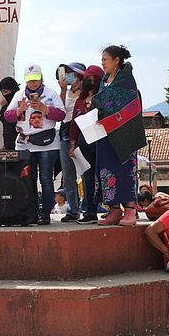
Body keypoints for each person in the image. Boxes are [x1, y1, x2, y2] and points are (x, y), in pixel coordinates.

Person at [4, 64, 66, 225]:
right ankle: (30, 213)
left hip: (48, 143)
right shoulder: (18, 95)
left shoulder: (51, 94)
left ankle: (45, 213)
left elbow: (61, 114)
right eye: (29, 80)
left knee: (46, 179)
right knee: (27, 179)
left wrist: (45, 109)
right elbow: (7, 116)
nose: (32, 84)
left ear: (41, 78)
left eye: (35, 80)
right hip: (25, 143)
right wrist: (19, 109)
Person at [92, 45, 146, 226]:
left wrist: (103, 107)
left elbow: (130, 105)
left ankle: (130, 210)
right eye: (102, 60)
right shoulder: (104, 80)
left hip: (124, 134)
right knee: (106, 170)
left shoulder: (126, 80)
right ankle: (114, 209)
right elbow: (101, 102)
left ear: (116, 60)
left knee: (124, 171)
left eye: (105, 60)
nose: (103, 63)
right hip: (105, 134)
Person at [69, 65, 105, 224]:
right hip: (84, 143)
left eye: (88, 78)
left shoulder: (104, 97)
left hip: (102, 143)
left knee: (105, 176)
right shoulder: (80, 101)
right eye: (84, 78)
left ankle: (115, 208)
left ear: (96, 80)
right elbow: (74, 124)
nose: (84, 81)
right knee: (87, 178)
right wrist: (72, 144)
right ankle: (90, 212)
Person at [57, 63, 87, 222]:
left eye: (71, 73)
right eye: (66, 72)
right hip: (65, 131)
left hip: (81, 132)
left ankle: (88, 208)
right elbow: (60, 112)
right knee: (68, 175)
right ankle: (73, 210)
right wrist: (62, 91)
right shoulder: (66, 92)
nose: (68, 76)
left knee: (85, 172)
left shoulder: (86, 93)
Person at [0, 77, 21, 150]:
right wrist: (6, 145)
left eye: (6, 92)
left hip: (24, 145)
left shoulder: (25, 104)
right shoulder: (4, 108)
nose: (5, 95)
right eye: (3, 93)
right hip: (9, 146)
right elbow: (7, 130)